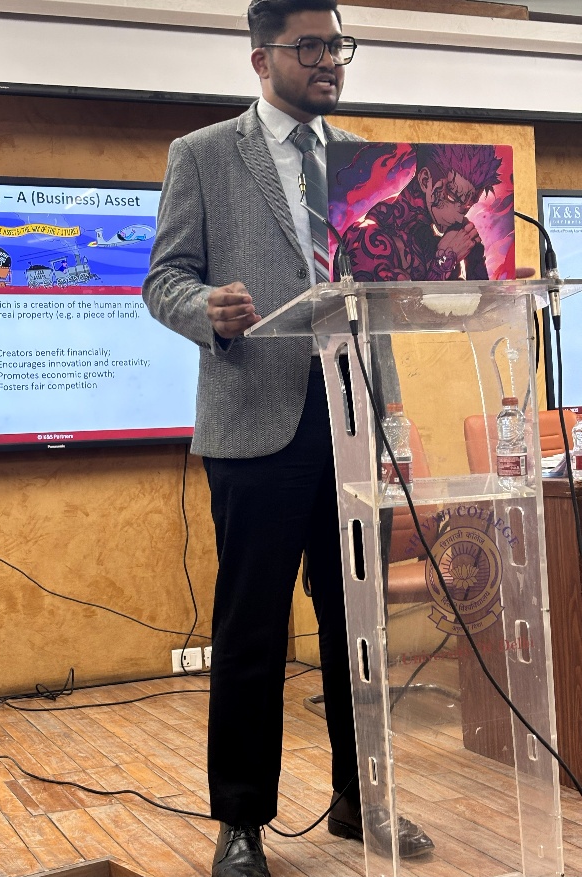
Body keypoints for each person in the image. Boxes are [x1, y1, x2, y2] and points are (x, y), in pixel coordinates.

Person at [143, 2, 435, 875]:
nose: (328, 61)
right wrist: (206, 309)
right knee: (252, 629)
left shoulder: (368, 163)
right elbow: (163, 279)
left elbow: (385, 288)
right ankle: (241, 822)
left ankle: (359, 798)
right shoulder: (203, 154)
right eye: (309, 46)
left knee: (358, 626)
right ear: (260, 59)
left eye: (337, 45)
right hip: (255, 420)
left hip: (352, 417)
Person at [339, 143, 505, 283]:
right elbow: (396, 309)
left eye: (468, 206)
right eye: (453, 197)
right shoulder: (365, 237)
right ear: (425, 180)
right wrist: (445, 261)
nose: (460, 216)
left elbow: (478, 310)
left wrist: (474, 257)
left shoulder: (435, 240)